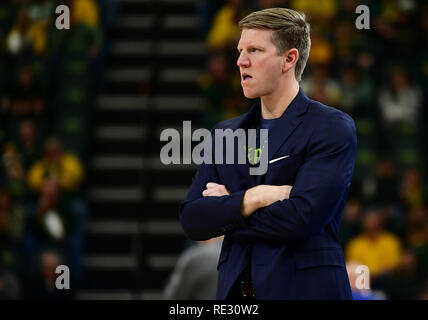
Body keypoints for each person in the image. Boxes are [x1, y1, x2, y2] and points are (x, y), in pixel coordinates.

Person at [179, 8, 357, 300]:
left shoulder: (331, 127)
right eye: (240, 51)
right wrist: (256, 197)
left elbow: (302, 218)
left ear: (289, 59)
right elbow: (193, 220)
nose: (240, 61)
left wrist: (229, 208)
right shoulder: (226, 134)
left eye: (254, 50)